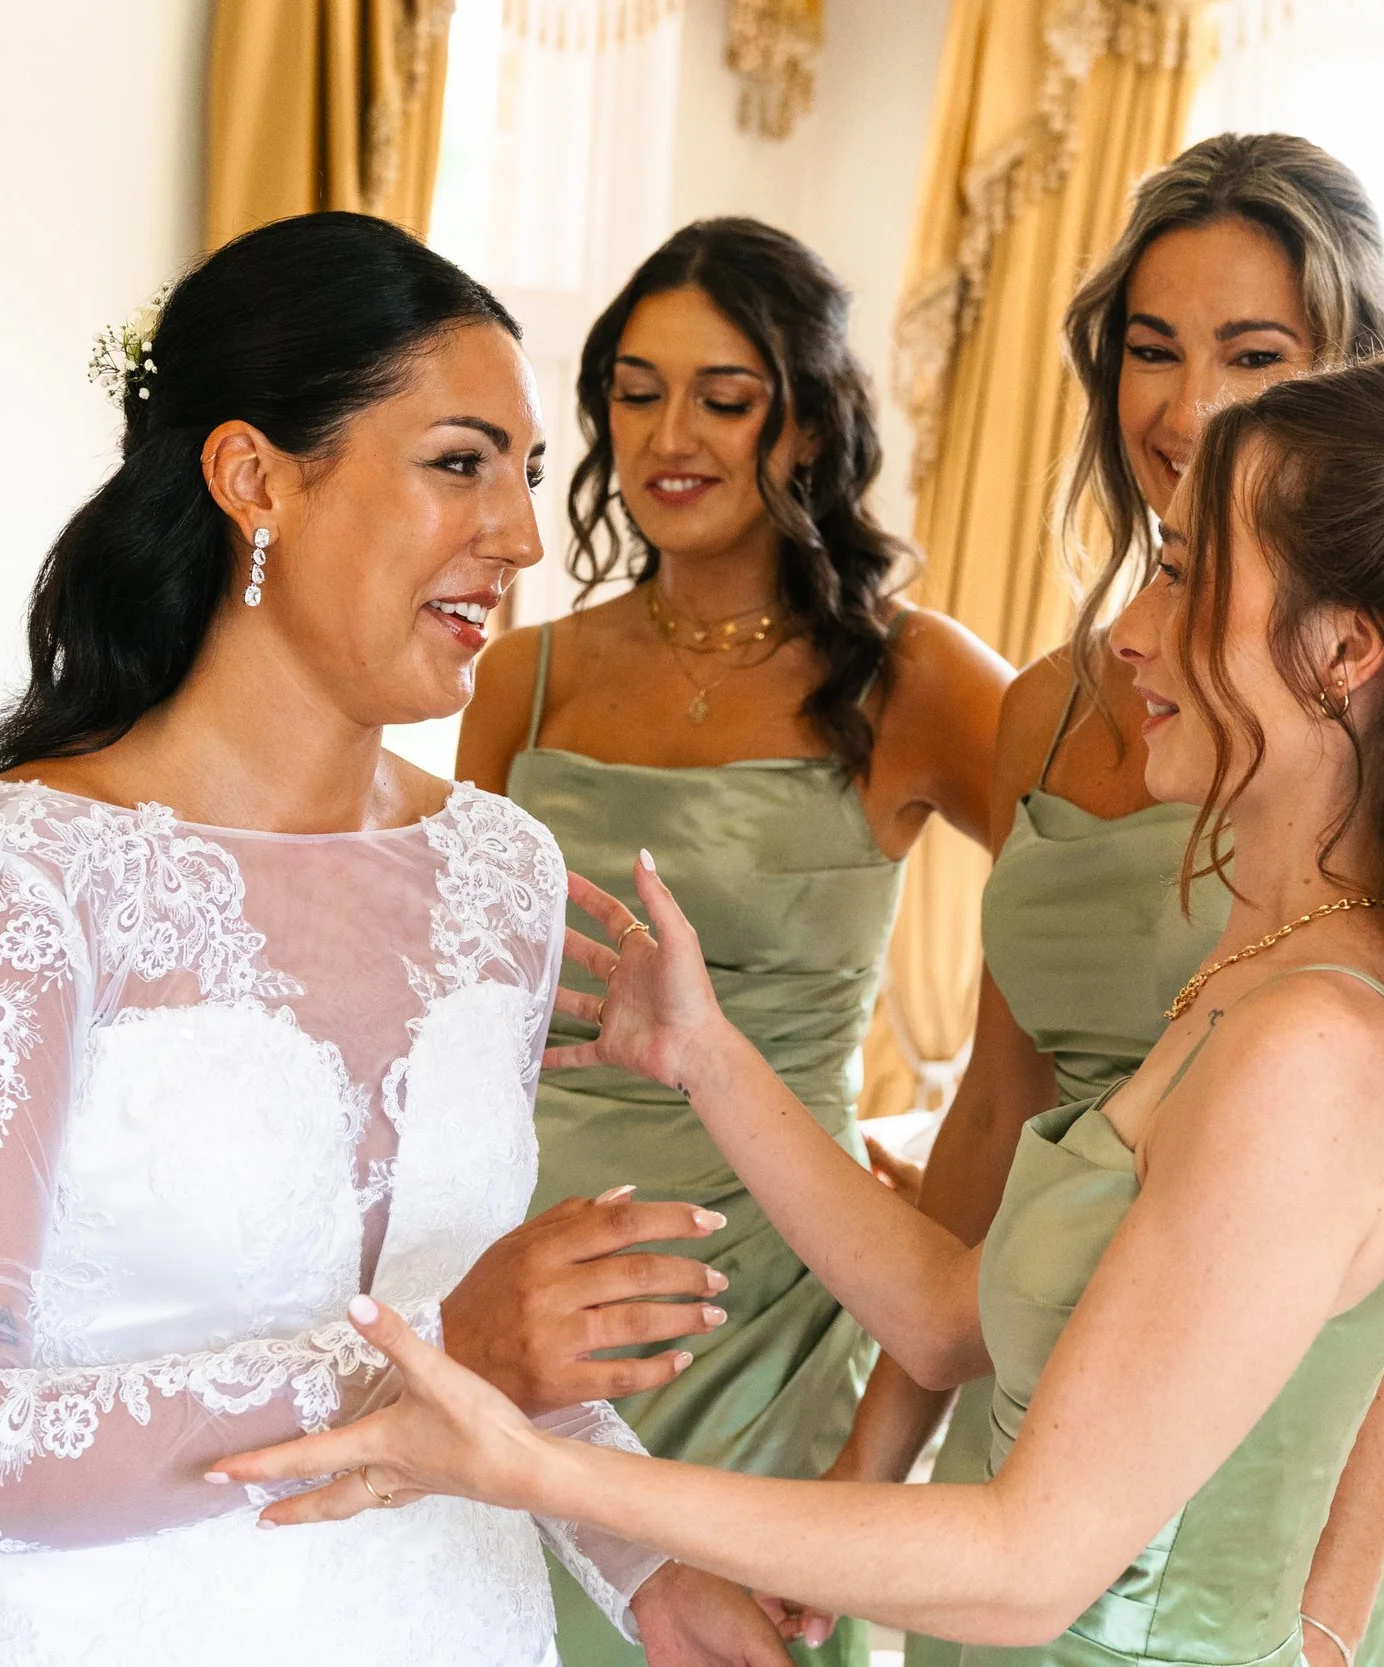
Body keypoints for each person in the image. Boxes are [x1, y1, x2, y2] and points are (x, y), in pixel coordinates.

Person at [221, 354, 1384, 1667]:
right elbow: (942, 1315)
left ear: (1344, 651)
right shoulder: (1267, 964)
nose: (1129, 635)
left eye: (1181, 574)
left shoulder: (1318, 1044)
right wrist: (707, 1056)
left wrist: (534, 1467)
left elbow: (1034, 1561)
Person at [0, 212, 793, 1666]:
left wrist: (651, 1559)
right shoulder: (24, 880)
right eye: (459, 462)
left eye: (526, 476)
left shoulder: (501, 876)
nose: (523, 535)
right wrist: (436, 1355)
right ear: (254, 478)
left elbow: (487, 1348)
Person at [825, 133, 1384, 1667]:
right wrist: (869, 1470)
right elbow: (992, 1116)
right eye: (1151, 351)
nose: (1186, 405)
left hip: (1261, 1471)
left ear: (1343, 371)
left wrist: (1329, 1610)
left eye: (1253, 352)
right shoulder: (1050, 706)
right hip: (1037, 1393)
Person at [458, 217, 1007, 1667]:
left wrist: (985, 1170)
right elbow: (449, 1005)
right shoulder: (527, 676)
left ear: (808, 420)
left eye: (724, 393)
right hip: (534, 1275)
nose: (668, 434)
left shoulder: (919, 679)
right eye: (636, 391)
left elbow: (1105, 918)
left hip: (767, 1301)